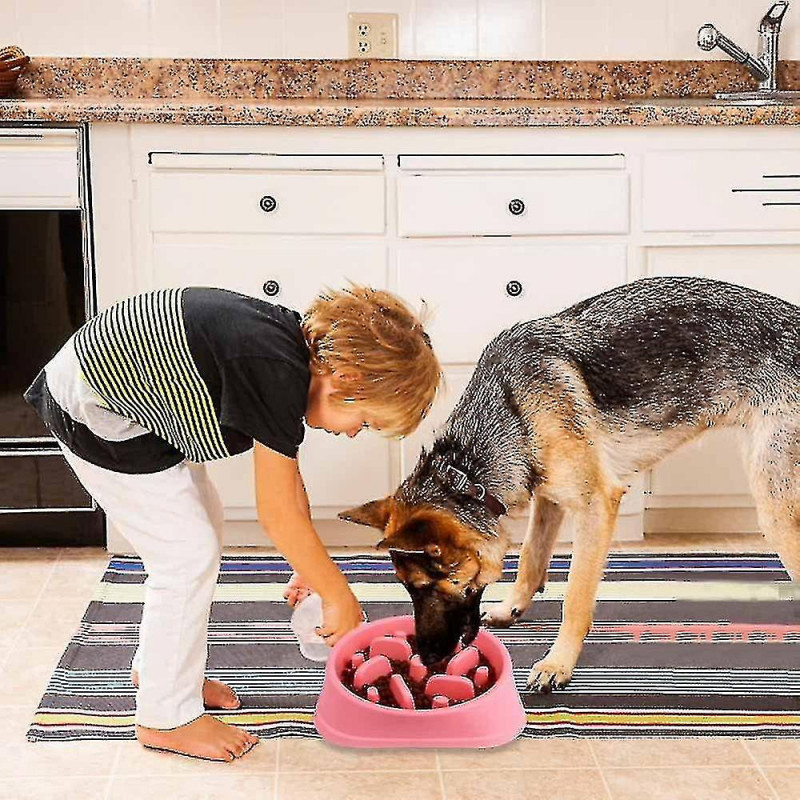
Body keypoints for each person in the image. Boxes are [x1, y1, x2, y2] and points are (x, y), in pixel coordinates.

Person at [23, 282, 441, 762]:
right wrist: (338, 595)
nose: (352, 433)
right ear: (347, 378)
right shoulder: (274, 368)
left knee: (202, 526)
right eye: (364, 421)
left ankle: (163, 669)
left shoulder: (289, 357)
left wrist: (307, 563)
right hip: (94, 410)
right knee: (185, 557)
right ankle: (165, 717)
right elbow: (276, 512)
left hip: (133, 409)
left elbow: (287, 483)